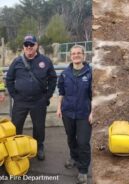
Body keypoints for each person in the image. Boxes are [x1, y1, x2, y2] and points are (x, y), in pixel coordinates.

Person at [6, 35, 57, 160]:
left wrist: (47, 96)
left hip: (39, 101)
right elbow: (9, 79)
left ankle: (39, 147)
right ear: (23, 47)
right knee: (16, 125)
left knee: (39, 127)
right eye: (26, 45)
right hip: (20, 101)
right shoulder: (17, 61)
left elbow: (53, 79)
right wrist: (14, 96)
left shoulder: (45, 61)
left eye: (31, 44)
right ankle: (16, 148)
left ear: (36, 46)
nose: (29, 47)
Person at [57, 45, 92, 184]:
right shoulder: (65, 73)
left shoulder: (90, 73)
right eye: (73, 53)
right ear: (70, 56)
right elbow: (61, 92)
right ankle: (74, 157)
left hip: (84, 114)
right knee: (71, 138)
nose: (76, 55)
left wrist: (93, 112)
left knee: (83, 142)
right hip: (68, 112)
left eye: (79, 53)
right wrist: (59, 108)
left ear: (84, 55)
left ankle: (83, 170)